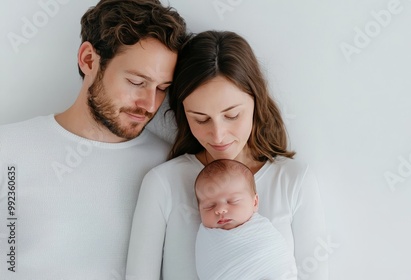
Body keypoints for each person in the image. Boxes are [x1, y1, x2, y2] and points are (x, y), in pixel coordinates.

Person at [0, 0, 186, 279]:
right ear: (88, 60)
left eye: (162, 89)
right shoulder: (9, 148)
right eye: (136, 82)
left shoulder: (169, 165)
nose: (149, 104)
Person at [126, 30, 328, 280]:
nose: (218, 136)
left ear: (256, 101)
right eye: (200, 119)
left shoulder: (294, 180)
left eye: (232, 115)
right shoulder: (163, 183)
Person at [194, 159, 297, 279]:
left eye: (233, 201)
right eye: (209, 206)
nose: (220, 209)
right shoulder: (207, 240)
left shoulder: (263, 232)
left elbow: (278, 263)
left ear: (255, 202)